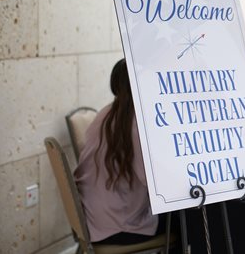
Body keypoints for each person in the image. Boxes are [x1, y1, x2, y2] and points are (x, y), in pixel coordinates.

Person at [74, 58, 173, 245]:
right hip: (118, 226)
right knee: (191, 219)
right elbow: (156, 183)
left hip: (97, 218)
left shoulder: (106, 113)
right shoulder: (135, 122)